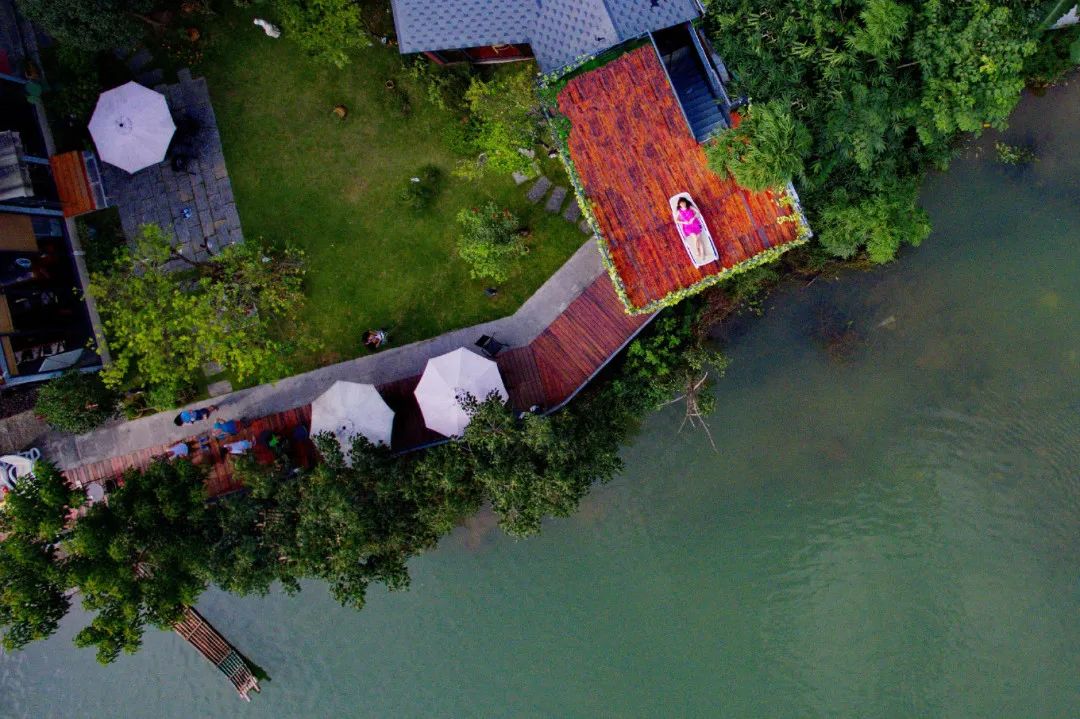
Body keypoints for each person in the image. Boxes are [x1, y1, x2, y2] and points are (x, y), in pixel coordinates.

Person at [675, 197, 707, 261]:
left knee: (699, 240)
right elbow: (676, 220)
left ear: (685, 202)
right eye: (681, 203)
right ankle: (697, 250)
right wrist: (684, 222)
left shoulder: (690, 207)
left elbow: (698, 212)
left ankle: (702, 254)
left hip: (695, 224)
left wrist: (693, 218)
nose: (682, 204)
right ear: (679, 204)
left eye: (683, 203)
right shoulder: (679, 211)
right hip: (687, 226)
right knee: (695, 237)